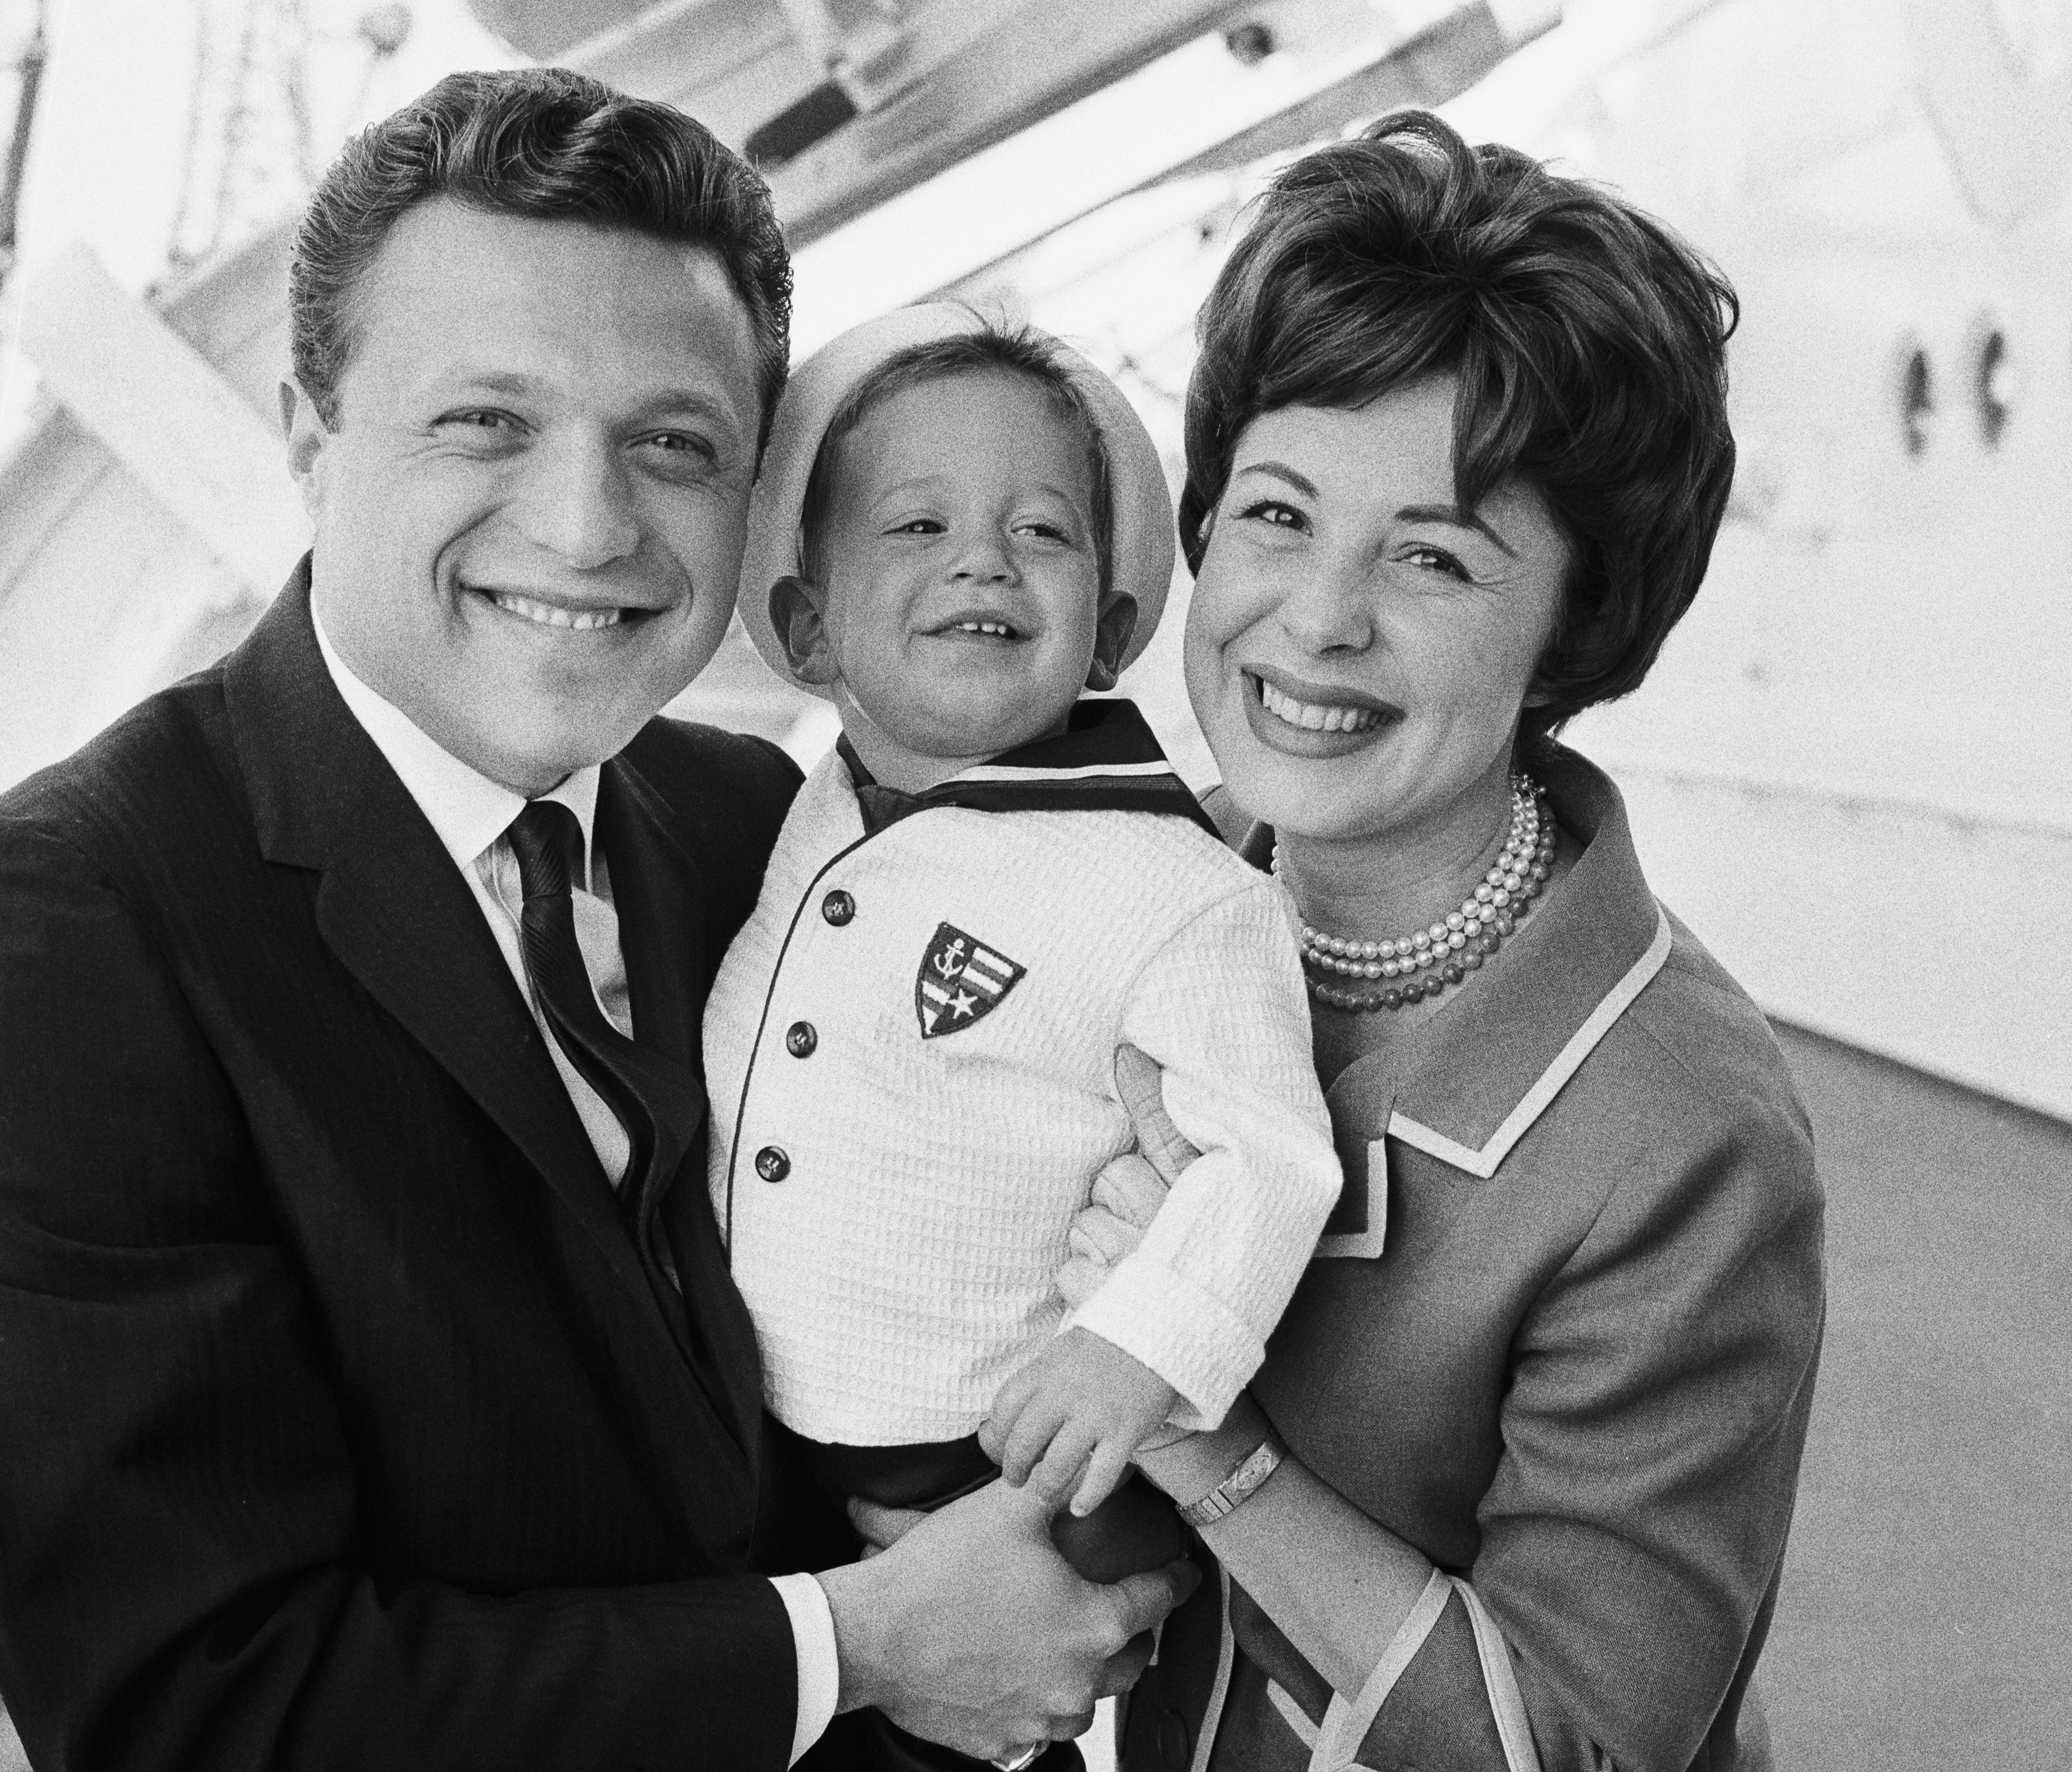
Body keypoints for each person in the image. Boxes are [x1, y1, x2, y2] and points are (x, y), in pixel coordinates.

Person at [0, 68, 1190, 1772]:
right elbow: (192, 1705)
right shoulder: (71, 930)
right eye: (487, 420)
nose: (587, 523)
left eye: (673, 443)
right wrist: (850, 1649)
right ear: (309, 433)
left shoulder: (754, 830)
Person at [1081, 112, 1828, 1771]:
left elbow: (1567, 1740)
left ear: (1577, 622)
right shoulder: (1115, 894)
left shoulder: (1683, 1137)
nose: (1320, 617)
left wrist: (1209, 1433)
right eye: (1277, 514)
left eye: (1430, 553)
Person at [708, 304, 1343, 1767]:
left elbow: (1265, 1156)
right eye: (916, 524)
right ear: (812, 629)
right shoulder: (816, 810)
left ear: (1114, 628)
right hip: (767, 1466)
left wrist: (1139, 1353)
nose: (981, 558)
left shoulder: (1168, 886)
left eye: (1043, 533)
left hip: (990, 1471)